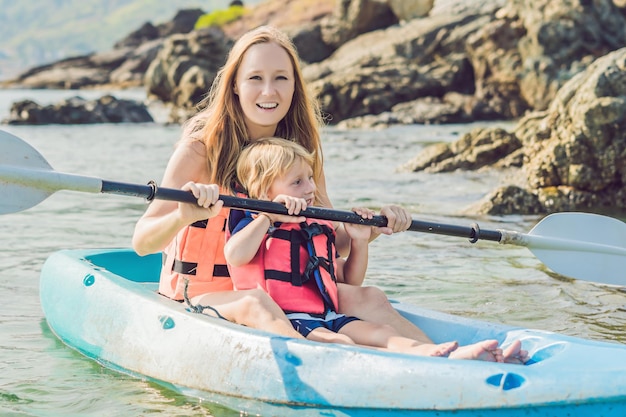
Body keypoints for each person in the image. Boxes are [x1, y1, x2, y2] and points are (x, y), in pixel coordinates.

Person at [131, 25, 526, 363]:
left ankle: (446, 357)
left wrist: (372, 227)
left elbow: (330, 239)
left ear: (294, 84)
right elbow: (142, 242)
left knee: (369, 297)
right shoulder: (201, 149)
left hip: (288, 291)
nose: (269, 90)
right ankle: (331, 364)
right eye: (255, 78)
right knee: (257, 303)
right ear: (235, 84)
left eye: (281, 77)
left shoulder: (299, 150)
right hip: (208, 293)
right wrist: (184, 214)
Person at [225, 137, 524, 361]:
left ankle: (438, 355)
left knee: (383, 333)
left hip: (326, 314)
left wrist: (358, 240)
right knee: (342, 345)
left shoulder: (314, 225)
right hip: (289, 321)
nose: (311, 188)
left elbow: (349, 281)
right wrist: (267, 216)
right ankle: (423, 364)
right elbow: (235, 256)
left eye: (310, 178)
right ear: (266, 192)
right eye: (297, 181)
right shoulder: (255, 221)